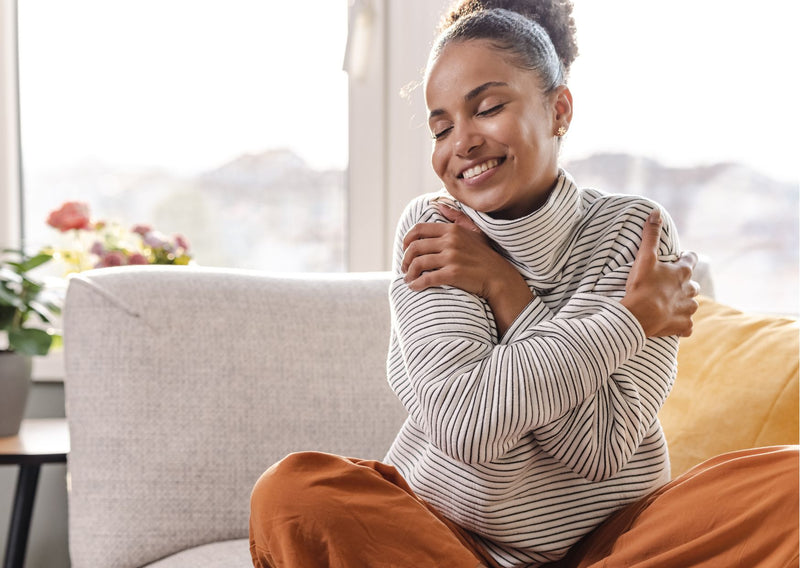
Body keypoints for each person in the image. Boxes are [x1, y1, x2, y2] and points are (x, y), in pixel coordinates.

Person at [249, 1, 798, 567]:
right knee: (293, 494)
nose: (461, 142)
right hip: (449, 545)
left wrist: (506, 290)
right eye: (441, 127)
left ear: (558, 109)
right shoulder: (435, 229)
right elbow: (467, 425)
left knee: (792, 485)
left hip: (612, 545)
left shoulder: (635, 232)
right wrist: (628, 322)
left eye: (487, 108)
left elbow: (598, 449)